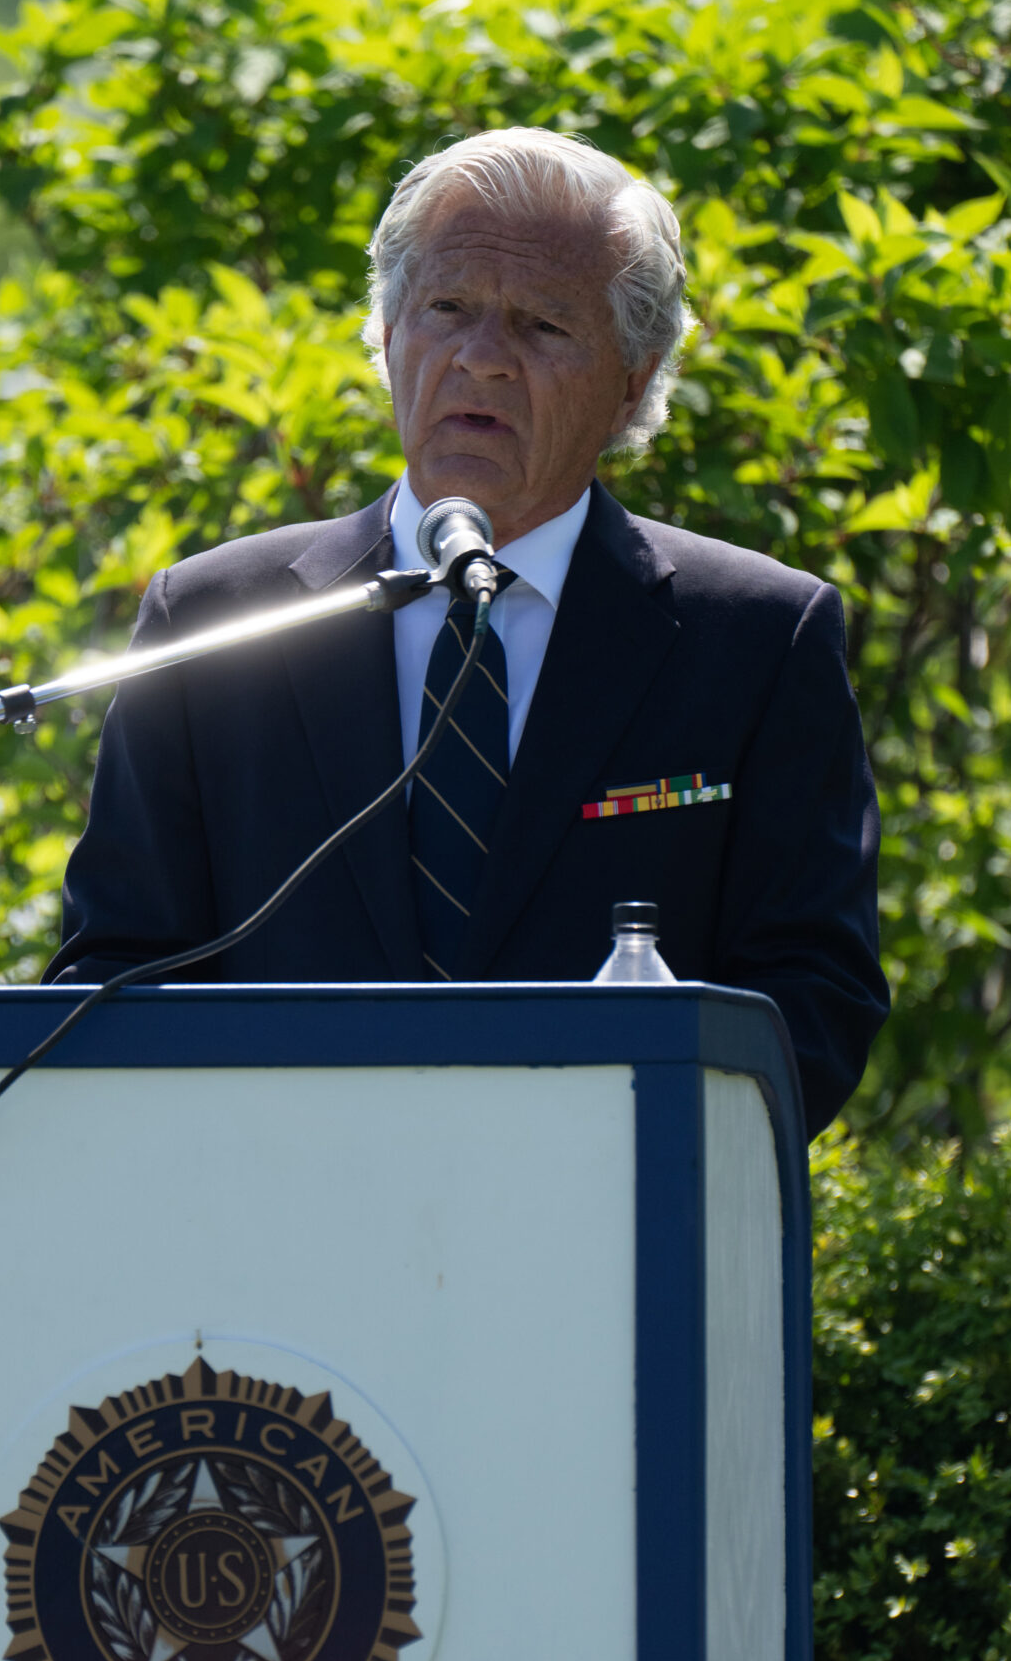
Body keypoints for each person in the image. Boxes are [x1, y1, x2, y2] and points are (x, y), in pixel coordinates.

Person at [47, 128, 887, 1135]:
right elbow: (110, 975)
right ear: (388, 326)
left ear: (634, 376)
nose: (482, 361)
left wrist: (637, 1112)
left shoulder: (754, 639)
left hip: (615, 1234)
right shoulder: (216, 622)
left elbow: (817, 1002)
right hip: (270, 1234)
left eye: (542, 326)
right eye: (446, 309)